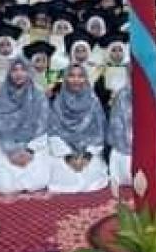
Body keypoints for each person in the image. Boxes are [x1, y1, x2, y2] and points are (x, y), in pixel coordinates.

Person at [0, 57, 52, 194]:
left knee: (37, 183)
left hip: (34, 147)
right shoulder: (1, 98)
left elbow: (43, 126)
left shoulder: (39, 97)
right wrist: (11, 151)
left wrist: (30, 150)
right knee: (3, 185)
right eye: (14, 70)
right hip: (7, 148)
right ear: (9, 74)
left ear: (29, 73)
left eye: (23, 70)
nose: (19, 74)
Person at [46, 64, 110, 193]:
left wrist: (87, 156)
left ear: (86, 79)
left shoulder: (93, 102)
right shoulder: (58, 103)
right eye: (71, 76)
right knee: (64, 174)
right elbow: (53, 132)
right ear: (65, 79)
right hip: (63, 153)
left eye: (80, 76)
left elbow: (99, 133)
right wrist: (68, 156)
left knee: (91, 173)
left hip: (89, 152)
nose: (76, 80)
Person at [107, 82, 156, 190]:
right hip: (127, 149)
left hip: (155, 147)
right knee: (130, 170)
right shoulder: (122, 95)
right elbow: (117, 131)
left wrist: (153, 148)